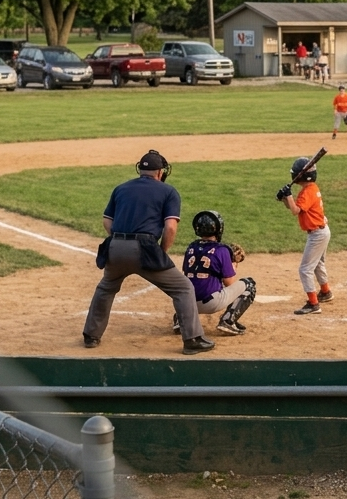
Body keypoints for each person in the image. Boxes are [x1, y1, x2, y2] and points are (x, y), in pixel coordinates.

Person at [83, 150, 215, 355]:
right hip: (145, 249)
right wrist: (160, 251)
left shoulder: (121, 188)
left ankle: (91, 335)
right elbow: (170, 227)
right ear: (160, 172)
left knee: (106, 288)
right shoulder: (168, 191)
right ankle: (193, 339)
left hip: (114, 247)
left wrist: (120, 238)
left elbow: (107, 221)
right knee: (182, 288)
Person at [179, 210, 256, 337]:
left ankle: (180, 319)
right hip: (210, 303)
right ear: (219, 229)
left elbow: (186, 273)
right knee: (249, 284)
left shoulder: (191, 247)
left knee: (188, 285)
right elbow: (229, 283)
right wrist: (233, 265)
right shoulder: (222, 250)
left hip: (186, 303)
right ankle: (228, 321)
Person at [276, 156, 333, 315]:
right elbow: (295, 208)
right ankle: (326, 292)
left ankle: (314, 304)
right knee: (317, 264)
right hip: (321, 231)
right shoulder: (311, 188)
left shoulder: (307, 192)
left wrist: (288, 195)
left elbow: (295, 210)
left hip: (317, 235)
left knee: (305, 269)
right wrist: (285, 199)